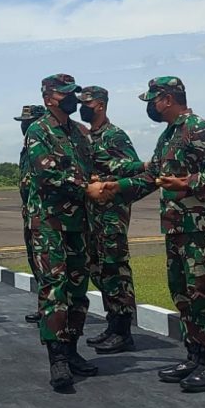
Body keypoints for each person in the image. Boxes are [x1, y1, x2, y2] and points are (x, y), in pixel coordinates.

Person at [89, 77, 205, 392]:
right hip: (176, 227)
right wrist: (117, 188)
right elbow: (153, 176)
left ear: (167, 99)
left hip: (201, 228)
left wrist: (188, 183)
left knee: (204, 294)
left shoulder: (197, 128)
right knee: (182, 293)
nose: (151, 107)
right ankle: (194, 355)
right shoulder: (169, 135)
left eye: (152, 101)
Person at [25, 73, 97, 392]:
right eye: (66, 94)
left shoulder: (79, 133)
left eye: (73, 93)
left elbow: (92, 168)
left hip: (78, 223)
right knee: (55, 288)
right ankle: (57, 358)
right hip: (50, 223)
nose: (73, 99)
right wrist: (89, 188)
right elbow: (48, 176)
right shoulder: (39, 131)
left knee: (78, 288)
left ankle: (72, 348)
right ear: (49, 98)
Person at [77, 85, 144, 354]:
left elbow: (134, 174)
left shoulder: (115, 136)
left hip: (111, 215)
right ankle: (112, 322)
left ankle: (123, 329)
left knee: (116, 269)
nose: (82, 106)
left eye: (87, 102)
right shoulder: (84, 137)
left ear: (101, 105)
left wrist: (108, 186)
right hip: (91, 217)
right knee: (98, 268)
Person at [14, 104, 46, 323]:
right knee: (34, 261)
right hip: (30, 213)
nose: (24, 125)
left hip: (45, 215)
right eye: (23, 122)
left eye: (28, 121)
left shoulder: (45, 144)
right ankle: (44, 306)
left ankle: (52, 309)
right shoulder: (26, 147)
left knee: (46, 263)